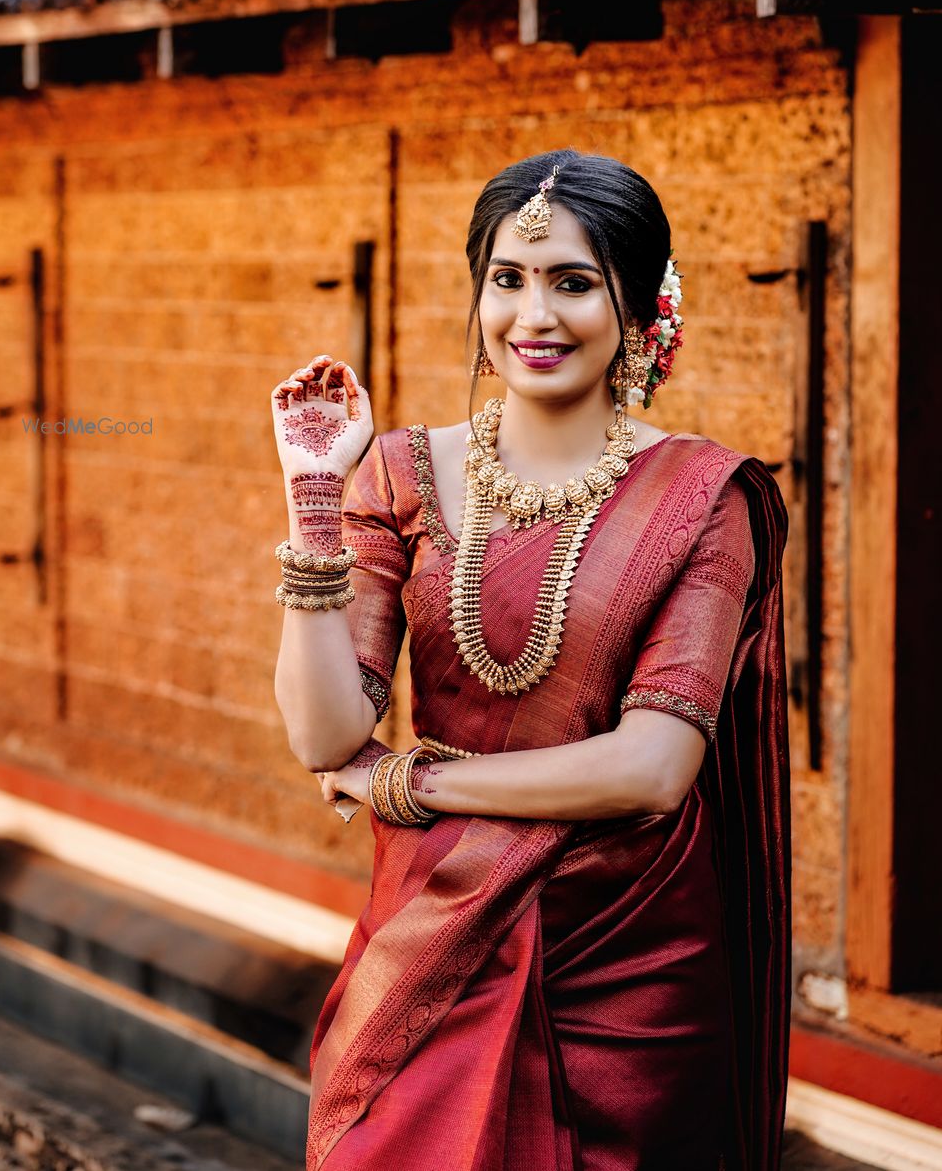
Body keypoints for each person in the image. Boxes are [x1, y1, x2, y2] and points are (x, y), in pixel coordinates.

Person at [272, 150, 791, 1171]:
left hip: (629, 965)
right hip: (434, 934)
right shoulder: (399, 473)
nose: (533, 315)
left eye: (572, 282)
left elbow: (650, 769)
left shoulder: (703, 498)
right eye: (507, 279)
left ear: (637, 306)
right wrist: (315, 507)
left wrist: (403, 781)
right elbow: (323, 732)